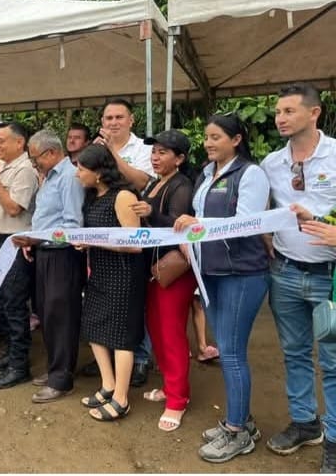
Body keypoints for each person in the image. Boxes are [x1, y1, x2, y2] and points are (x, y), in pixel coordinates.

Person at [173, 114, 270, 463]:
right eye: (206, 137)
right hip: (210, 271)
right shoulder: (206, 174)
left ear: (237, 139)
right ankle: (242, 421)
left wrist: (197, 223)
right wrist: (189, 240)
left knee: (230, 352)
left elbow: (246, 224)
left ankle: (237, 431)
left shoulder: (250, 174)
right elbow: (198, 223)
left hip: (241, 273)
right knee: (228, 349)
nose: (209, 143)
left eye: (216, 137)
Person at [260, 82, 336, 473]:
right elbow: (263, 209)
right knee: (294, 353)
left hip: (330, 278)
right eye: (278, 112)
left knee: (334, 363)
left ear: (314, 112)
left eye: (289, 111)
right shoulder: (272, 163)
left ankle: (334, 441)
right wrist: (266, 236)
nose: (280, 118)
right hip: (286, 273)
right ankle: (306, 423)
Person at [131, 129, 197, 431]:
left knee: (172, 334)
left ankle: (178, 400)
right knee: (157, 331)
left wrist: (150, 213)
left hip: (174, 270)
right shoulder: (156, 182)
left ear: (179, 159)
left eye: (162, 152)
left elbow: (178, 224)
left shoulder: (182, 185)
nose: (155, 157)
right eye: (153, 151)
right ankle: (171, 387)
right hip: (154, 270)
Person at [13, 130, 86, 403]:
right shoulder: (51, 177)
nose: (35, 164)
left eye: (36, 159)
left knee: (61, 316)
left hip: (62, 255)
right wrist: (33, 240)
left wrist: (38, 239)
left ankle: (61, 379)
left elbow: (72, 225)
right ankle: (57, 367)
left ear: (52, 152)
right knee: (46, 313)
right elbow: (46, 218)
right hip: (45, 252)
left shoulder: (69, 178)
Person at [75, 144, 144, 421]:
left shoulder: (124, 196)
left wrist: (93, 241)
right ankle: (108, 385)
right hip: (100, 272)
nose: (77, 174)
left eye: (82, 169)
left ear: (99, 173)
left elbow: (135, 243)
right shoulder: (93, 197)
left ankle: (121, 399)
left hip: (123, 274)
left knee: (120, 336)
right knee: (93, 327)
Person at [92, 97, 155, 386]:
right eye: (109, 118)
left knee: (133, 301)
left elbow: (140, 182)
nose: (114, 122)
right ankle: (109, 357)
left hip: (135, 230)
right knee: (106, 301)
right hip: (103, 229)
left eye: (119, 117)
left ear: (131, 120)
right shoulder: (95, 147)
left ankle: (140, 358)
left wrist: (110, 156)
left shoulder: (144, 150)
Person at [0, 122, 39, 389]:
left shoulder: (25, 170)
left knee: (14, 304)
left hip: (16, 241)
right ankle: (10, 353)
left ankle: (19, 365)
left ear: (19, 143)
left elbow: (14, 208)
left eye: (2, 140)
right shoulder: (1, 165)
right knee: (1, 301)